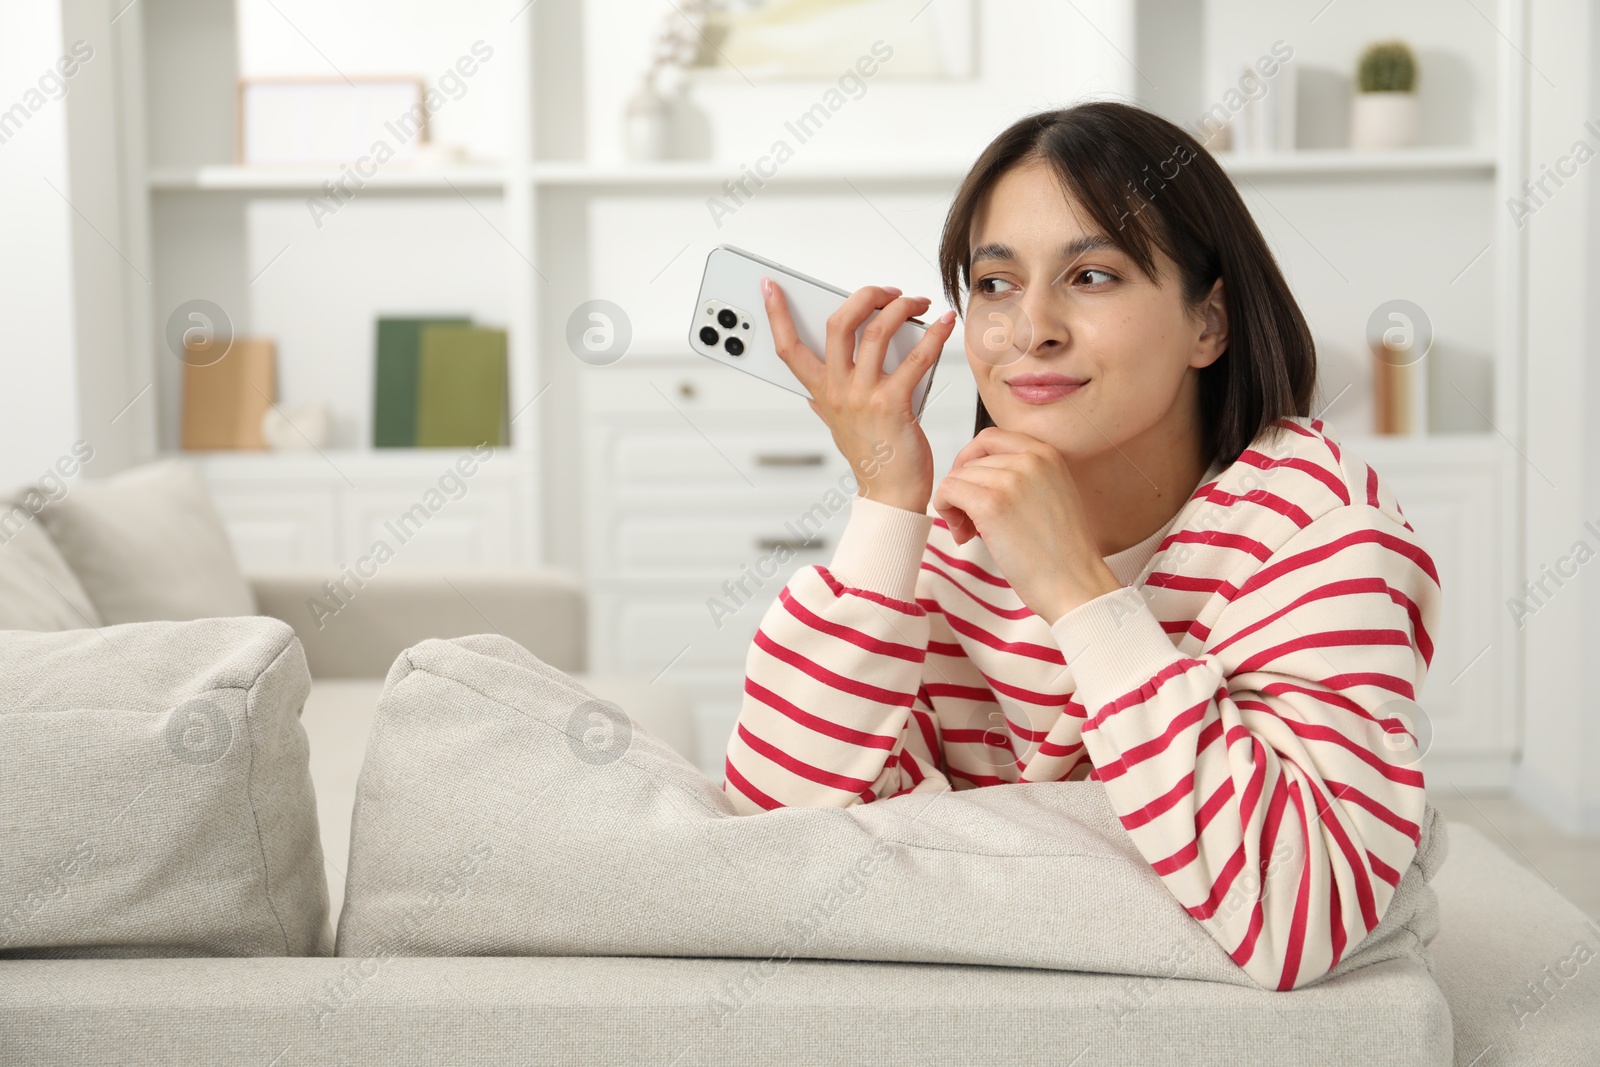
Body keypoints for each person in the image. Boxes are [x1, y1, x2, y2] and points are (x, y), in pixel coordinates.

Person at [720, 101, 1442, 993]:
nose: (1031, 330)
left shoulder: (1316, 524)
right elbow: (771, 844)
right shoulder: (951, 544)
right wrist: (886, 499)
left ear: (1208, 324)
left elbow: (1295, 912)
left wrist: (1076, 587)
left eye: (1092, 275)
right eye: (994, 284)